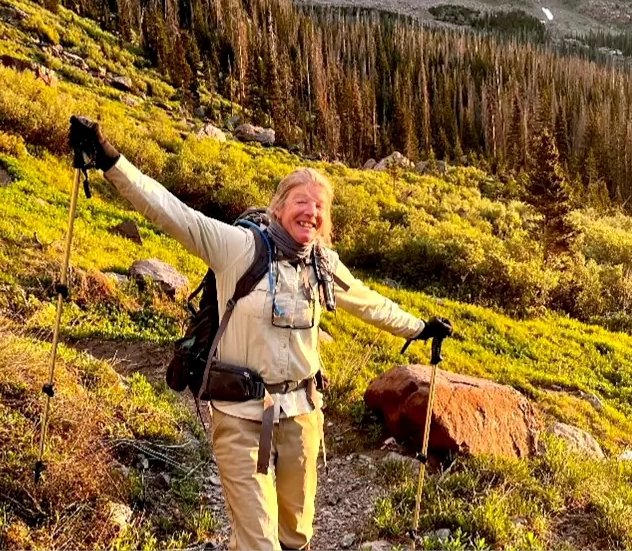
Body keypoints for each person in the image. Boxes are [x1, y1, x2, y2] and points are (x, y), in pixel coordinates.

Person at [68, 116, 452, 550]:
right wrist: (110, 160)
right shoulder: (238, 248)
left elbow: (368, 303)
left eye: (319, 207)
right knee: (259, 541)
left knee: (296, 534)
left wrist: (420, 327)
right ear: (279, 208)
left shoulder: (322, 264)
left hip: (302, 413)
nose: (310, 212)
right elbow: (172, 212)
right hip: (240, 414)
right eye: (301, 201)